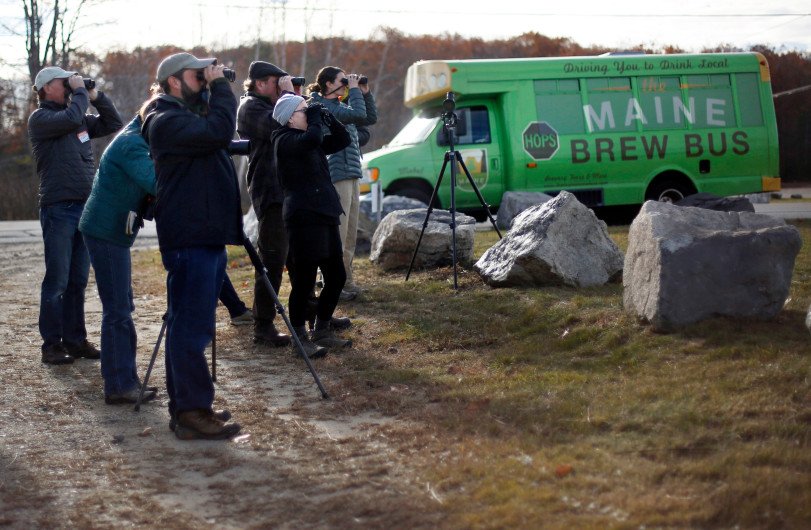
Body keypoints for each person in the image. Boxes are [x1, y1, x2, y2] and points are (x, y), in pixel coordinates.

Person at [142, 52, 243, 440]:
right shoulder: (165, 120)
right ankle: (189, 411)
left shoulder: (184, 115)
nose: (205, 79)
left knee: (193, 323)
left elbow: (217, 131)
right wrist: (219, 87)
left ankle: (191, 403)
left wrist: (210, 88)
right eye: (196, 75)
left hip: (203, 233)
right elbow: (218, 130)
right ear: (172, 82)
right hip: (190, 236)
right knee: (190, 326)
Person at [28, 66, 123, 365]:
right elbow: (69, 118)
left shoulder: (78, 117)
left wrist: (95, 95)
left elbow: (113, 122)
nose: (69, 86)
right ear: (46, 88)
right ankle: (51, 346)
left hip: (84, 208)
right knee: (57, 280)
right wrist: (80, 92)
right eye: (63, 82)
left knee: (78, 280)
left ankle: (75, 339)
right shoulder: (42, 119)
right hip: (58, 208)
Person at [79, 97, 159, 404]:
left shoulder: (137, 136)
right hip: (105, 232)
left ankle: (126, 379)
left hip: (111, 231)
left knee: (122, 307)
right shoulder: (132, 144)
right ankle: (118, 384)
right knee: (118, 311)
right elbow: (156, 182)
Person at [271, 94, 353, 356]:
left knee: (337, 275)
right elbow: (312, 139)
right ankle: (299, 339)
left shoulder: (309, 140)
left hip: (325, 212)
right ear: (290, 117)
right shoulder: (284, 140)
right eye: (304, 111)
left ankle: (322, 329)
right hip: (303, 217)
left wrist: (328, 117)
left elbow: (343, 140)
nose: (309, 114)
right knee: (304, 281)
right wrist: (316, 119)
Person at [236, 61, 296, 346]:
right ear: (260, 83)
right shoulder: (250, 107)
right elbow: (279, 124)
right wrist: (288, 97)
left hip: (287, 191)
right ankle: (263, 326)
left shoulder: (271, 103)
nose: (281, 86)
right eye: (276, 81)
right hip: (270, 193)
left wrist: (290, 96)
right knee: (271, 261)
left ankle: (308, 315)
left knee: (299, 258)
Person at [307, 67, 377, 301]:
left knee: (349, 233)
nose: (347, 82)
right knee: (338, 231)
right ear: (328, 84)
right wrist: (355, 90)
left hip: (351, 172)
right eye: (342, 80)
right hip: (337, 174)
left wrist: (365, 93)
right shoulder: (324, 107)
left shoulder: (340, 106)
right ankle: (331, 282)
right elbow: (357, 115)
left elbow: (368, 118)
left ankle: (346, 280)